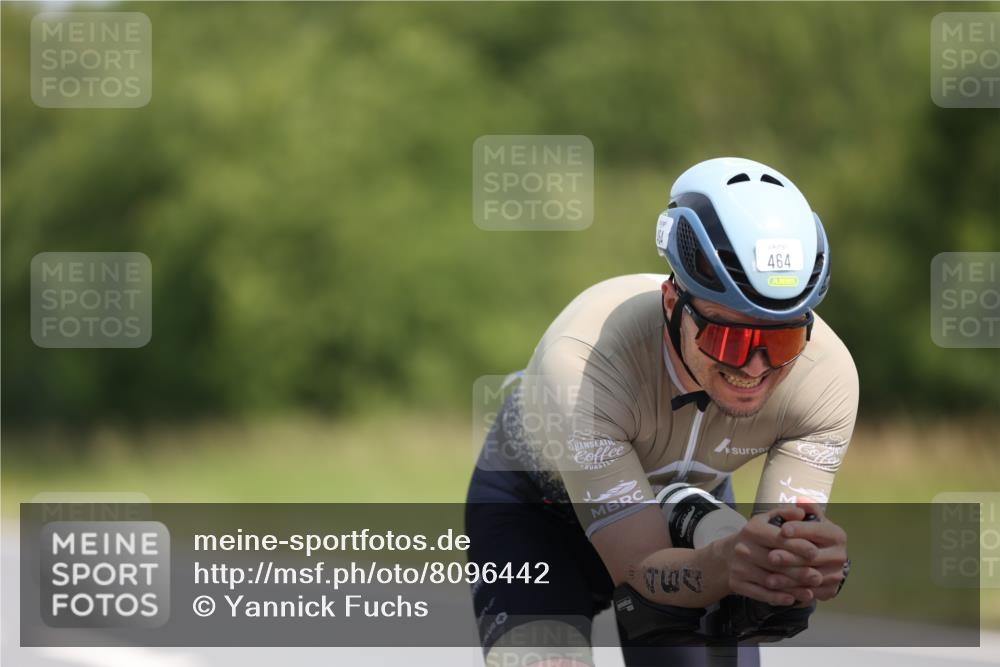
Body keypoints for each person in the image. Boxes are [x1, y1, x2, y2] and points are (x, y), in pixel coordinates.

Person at [465, 157, 858, 667]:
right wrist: (727, 565)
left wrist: (798, 568)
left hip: (684, 512)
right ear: (672, 302)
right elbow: (639, 569)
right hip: (537, 518)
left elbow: (777, 548)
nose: (756, 366)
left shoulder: (827, 376)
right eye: (730, 338)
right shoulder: (583, 364)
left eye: (782, 340)